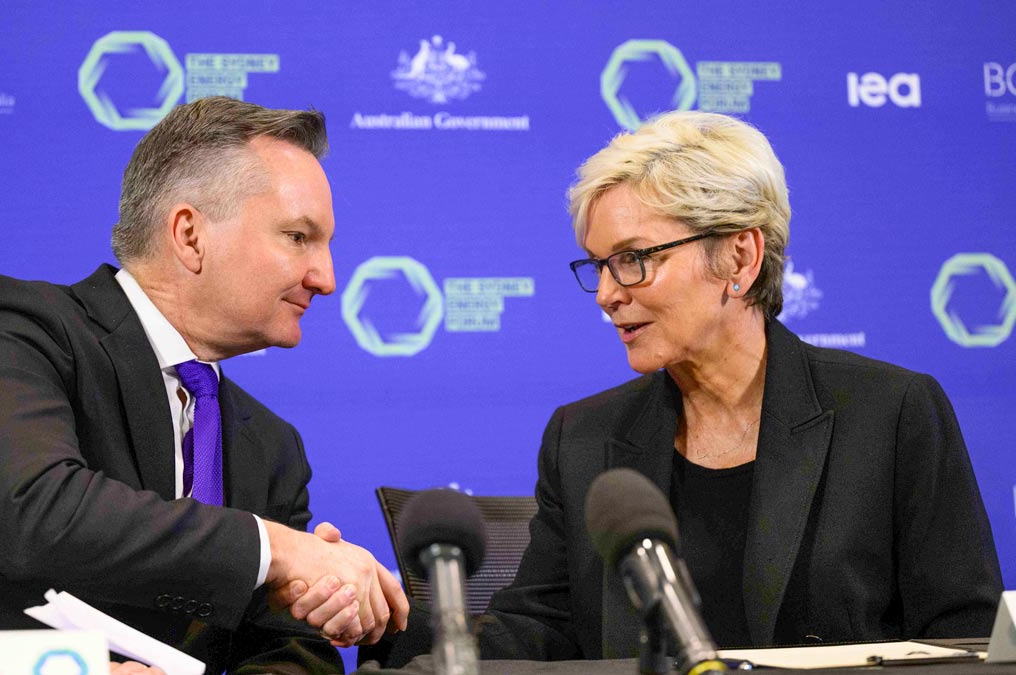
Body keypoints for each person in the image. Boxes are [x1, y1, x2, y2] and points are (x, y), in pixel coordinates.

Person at [383, 111, 1003, 666]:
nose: (606, 294)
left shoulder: (890, 415)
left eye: (634, 259)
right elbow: (538, 629)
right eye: (598, 265)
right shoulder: (583, 439)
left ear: (739, 258)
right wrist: (388, 623)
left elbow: (964, 639)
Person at [0, 96, 408, 674]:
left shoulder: (270, 445)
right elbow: (36, 513)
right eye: (297, 237)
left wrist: (309, 592)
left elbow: (291, 653)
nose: (326, 279)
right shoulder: (7, 325)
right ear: (189, 235)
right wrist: (279, 549)